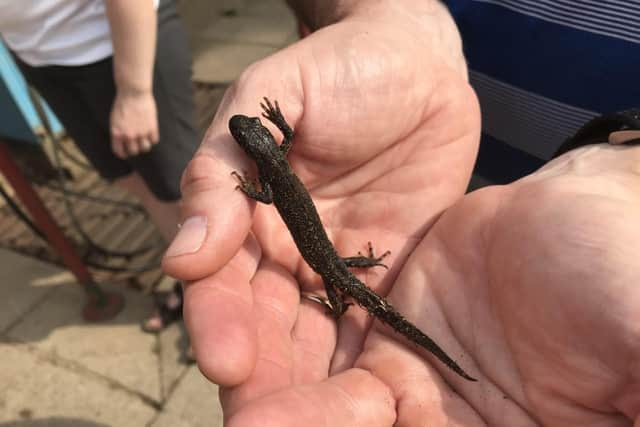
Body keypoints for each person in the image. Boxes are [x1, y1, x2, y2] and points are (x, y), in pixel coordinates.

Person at [162, 0, 640, 425]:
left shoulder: (270, 176)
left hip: (476, 208)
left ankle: (342, 301)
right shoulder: (278, 160)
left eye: (248, 134)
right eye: (251, 133)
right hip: (430, 198)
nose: (247, 135)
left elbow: (266, 197)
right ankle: (352, 291)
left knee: (341, 281)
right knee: (340, 274)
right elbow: (281, 149)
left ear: (254, 148)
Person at [0, 0, 196, 335]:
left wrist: (135, 93)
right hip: (42, 57)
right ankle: (191, 281)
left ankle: (213, 297)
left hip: (120, 45)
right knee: (131, 179)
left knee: (184, 190)